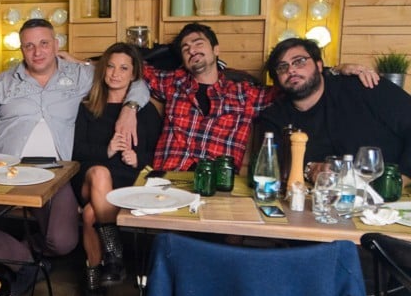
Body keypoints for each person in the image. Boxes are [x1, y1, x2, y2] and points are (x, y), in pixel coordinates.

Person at [0, 19, 150, 288]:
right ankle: (24, 261)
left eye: (43, 44)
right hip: (2, 170)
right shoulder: (2, 83)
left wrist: (130, 108)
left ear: (56, 45)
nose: (37, 52)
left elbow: (137, 81)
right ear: (21, 49)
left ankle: (22, 256)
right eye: (29, 46)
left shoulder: (81, 76)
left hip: (55, 174)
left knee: (63, 242)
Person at [144, 23, 376, 171]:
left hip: (216, 183)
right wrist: (131, 106)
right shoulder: (171, 82)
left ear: (216, 50)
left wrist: (334, 70)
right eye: (185, 48)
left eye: (198, 44)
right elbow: (132, 66)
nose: (192, 50)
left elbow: (294, 82)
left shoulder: (245, 94)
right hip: (167, 178)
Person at [71, 43, 162, 296]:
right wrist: (107, 150)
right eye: (110, 66)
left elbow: (157, 152)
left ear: (134, 74)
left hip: (125, 181)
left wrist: (137, 159)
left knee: (90, 215)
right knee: (100, 173)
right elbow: (75, 151)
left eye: (123, 68)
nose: (115, 73)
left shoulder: (144, 110)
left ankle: (94, 288)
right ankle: (114, 252)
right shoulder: (88, 106)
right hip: (89, 176)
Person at [258, 37, 408, 179]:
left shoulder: (364, 86)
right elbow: (272, 165)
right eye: (282, 67)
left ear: (319, 65)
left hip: (392, 190)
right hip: (322, 195)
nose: (291, 70)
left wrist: (404, 177)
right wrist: (309, 169)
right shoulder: (274, 118)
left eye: (299, 61)